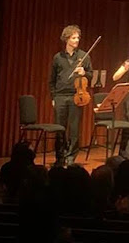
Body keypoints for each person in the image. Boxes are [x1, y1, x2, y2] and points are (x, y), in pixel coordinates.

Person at [49, 24, 92, 166]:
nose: (77, 40)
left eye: (78, 37)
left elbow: (91, 75)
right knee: (60, 128)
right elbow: (52, 80)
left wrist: (84, 73)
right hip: (60, 96)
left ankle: (71, 157)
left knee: (74, 129)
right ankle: (59, 157)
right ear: (66, 39)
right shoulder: (58, 57)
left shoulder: (84, 56)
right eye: (74, 38)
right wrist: (53, 97)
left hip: (76, 96)